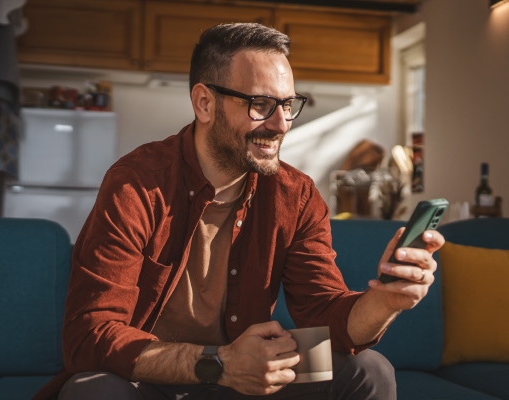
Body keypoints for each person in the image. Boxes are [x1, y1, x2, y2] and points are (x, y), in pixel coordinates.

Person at [33, 22, 444, 400]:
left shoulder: (296, 195)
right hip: (151, 374)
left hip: (250, 372)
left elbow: (325, 316)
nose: (281, 124)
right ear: (204, 103)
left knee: (369, 371)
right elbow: (89, 335)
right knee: (92, 391)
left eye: (288, 104)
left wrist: (385, 301)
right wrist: (220, 363)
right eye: (261, 104)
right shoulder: (136, 185)